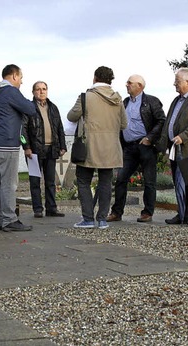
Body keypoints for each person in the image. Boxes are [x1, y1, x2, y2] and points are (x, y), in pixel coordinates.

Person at [68, 66, 127, 229]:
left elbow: (71, 116)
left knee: (83, 180)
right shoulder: (118, 99)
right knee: (105, 183)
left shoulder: (86, 97)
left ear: (95, 78)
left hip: (89, 146)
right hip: (110, 147)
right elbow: (124, 124)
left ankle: (87, 218)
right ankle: (102, 219)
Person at [107, 74, 165, 223]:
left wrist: (150, 138)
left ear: (140, 86)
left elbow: (161, 121)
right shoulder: (125, 102)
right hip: (128, 147)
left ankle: (147, 212)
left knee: (149, 180)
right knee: (121, 179)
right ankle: (117, 212)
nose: (126, 85)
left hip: (145, 146)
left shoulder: (151, 101)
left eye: (130, 83)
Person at [0, 64, 36, 232]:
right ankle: (9, 219)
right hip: (6, 143)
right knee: (9, 183)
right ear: (14, 76)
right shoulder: (10, 92)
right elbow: (30, 109)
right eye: (21, 78)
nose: (21, 82)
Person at [156, 68, 188, 226]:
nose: (174, 84)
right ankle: (182, 214)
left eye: (177, 81)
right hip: (175, 148)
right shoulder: (176, 100)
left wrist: (183, 137)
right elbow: (169, 123)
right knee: (180, 183)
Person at [22, 81, 67, 218]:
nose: (41, 92)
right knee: (35, 181)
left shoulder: (53, 107)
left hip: (51, 149)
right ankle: (37, 209)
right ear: (33, 92)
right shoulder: (28, 108)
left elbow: (59, 127)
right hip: (34, 151)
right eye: (38, 89)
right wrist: (26, 147)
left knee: (50, 182)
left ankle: (51, 208)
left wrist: (63, 145)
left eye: (44, 89)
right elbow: (22, 130)